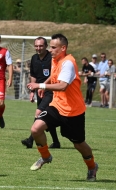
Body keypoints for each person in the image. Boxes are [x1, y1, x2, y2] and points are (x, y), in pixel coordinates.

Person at [27, 33, 98, 181]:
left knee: (78, 144)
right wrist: (45, 86)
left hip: (73, 111)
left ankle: (92, 166)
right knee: (35, 129)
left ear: (63, 48)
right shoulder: (55, 59)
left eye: (53, 47)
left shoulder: (68, 63)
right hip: (57, 106)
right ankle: (45, 157)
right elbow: (54, 77)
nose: (50, 50)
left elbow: (63, 86)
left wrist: (40, 85)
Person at [21, 37, 60, 149]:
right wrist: (32, 91)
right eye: (36, 46)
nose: (38, 48)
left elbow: (53, 75)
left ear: (46, 46)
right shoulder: (34, 58)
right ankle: (56, 142)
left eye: (41, 46)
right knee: (46, 116)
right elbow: (33, 75)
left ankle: (30, 140)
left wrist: (42, 86)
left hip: (50, 91)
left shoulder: (52, 58)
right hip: (39, 91)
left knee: (39, 113)